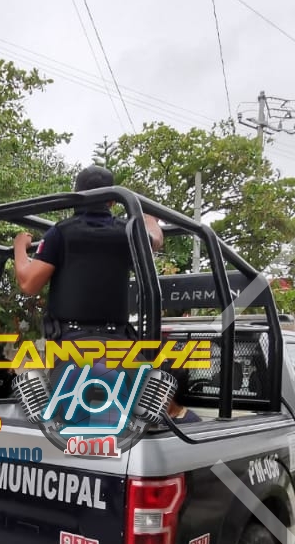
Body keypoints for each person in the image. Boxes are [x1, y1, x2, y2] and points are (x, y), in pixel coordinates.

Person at [12, 165, 197, 419]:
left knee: (36, 381)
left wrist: (20, 247)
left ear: (76, 195)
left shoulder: (61, 232)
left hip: (71, 345)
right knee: (132, 411)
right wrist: (150, 220)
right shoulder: (127, 232)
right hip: (119, 345)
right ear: (111, 200)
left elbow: (28, 283)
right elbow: (155, 239)